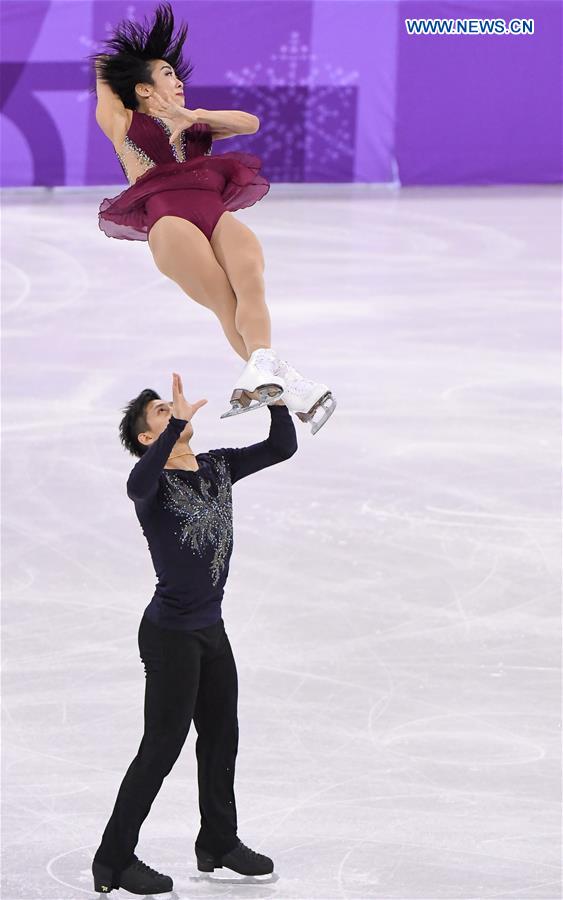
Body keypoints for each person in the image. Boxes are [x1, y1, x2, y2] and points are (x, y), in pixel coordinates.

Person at [92, 372, 297, 894]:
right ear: (147, 438)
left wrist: (274, 398)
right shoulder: (152, 481)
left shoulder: (218, 465)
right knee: (162, 746)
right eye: (160, 412)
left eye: (171, 408)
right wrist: (177, 424)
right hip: (169, 634)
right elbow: (135, 484)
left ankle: (218, 842)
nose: (172, 412)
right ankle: (113, 859)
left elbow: (282, 446)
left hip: (211, 629)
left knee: (222, 737)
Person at [91, 2, 336, 434]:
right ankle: (292, 385)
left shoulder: (198, 123)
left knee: (251, 282)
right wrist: (125, 65)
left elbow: (250, 122)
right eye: (167, 73)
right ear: (144, 89)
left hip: (213, 213)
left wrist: (193, 116)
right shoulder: (123, 121)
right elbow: (106, 69)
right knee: (227, 303)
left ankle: (268, 373)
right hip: (170, 221)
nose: (178, 79)